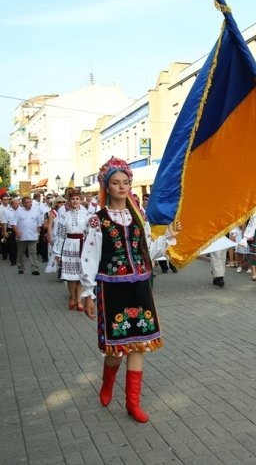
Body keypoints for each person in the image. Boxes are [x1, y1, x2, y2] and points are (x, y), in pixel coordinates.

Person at [80, 157, 180, 423]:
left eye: (125, 182)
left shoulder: (139, 217)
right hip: (112, 289)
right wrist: (87, 293)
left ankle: (132, 403)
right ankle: (107, 383)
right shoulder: (97, 220)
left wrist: (168, 236)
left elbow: (148, 251)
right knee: (116, 348)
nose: (122, 187)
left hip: (139, 287)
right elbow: (89, 257)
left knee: (138, 345)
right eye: (116, 183)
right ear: (107, 186)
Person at [53, 189, 89, 309]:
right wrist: (57, 253)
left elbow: (90, 233)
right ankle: (73, 297)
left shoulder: (86, 215)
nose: (75, 201)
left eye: (77, 199)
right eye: (72, 199)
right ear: (69, 201)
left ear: (81, 200)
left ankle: (79, 300)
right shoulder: (64, 216)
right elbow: (60, 235)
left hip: (82, 246)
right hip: (69, 246)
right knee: (70, 276)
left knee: (81, 275)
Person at [12, 196, 42, 275]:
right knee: (20, 253)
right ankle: (20, 267)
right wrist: (17, 232)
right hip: (22, 236)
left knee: (33, 252)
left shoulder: (35, 211)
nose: (30, 204)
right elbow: (13, 223)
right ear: (23, 203)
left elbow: (39, 224)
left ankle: (34, 269)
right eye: (28, 202)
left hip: (33, 236)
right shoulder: (18, 211)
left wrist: (38, 234)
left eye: (30, 202)